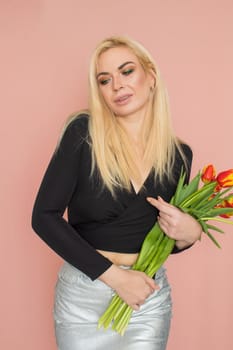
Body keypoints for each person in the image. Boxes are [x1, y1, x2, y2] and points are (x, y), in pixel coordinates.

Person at [31, 36, 202, 350]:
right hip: (84, 296)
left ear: (151, 76)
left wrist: (189, 234)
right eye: (104, 80)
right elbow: (44, 218)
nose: (117, 86)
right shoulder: (83, 133)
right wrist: (116, 278)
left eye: (127, 71)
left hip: (145, 301)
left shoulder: (179, 155)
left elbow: (159, 239)